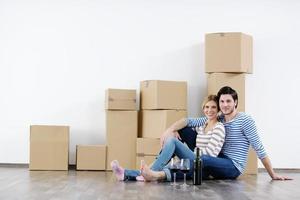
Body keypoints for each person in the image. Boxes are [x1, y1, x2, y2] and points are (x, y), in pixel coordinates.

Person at [158, 86, 292, 181]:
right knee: (184, 129)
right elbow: (188, 121)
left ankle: (162, 173)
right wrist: (169, 130)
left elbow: (259, 149)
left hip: (232, 166)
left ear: (235, 103)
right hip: (217, 158)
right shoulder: (219, 117)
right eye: (222, 101)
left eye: (228, 101)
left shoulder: (245, 120)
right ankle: (160, 167)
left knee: (202, 160)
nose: (225, 105)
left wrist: (272, 174)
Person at [111, 95, 225, 182]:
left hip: (203, 166)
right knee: (172, 140)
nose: (209, 110)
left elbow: (210, 155)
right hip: (194, 160)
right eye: (207, 107)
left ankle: (149, 171)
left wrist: (184, 158)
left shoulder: (219, 128)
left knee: (172, 142)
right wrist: (173, 130)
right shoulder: (202, 125)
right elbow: (187, 124)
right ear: (203, 108)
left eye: (213, 107)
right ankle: (125, 173)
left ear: (218, 110)